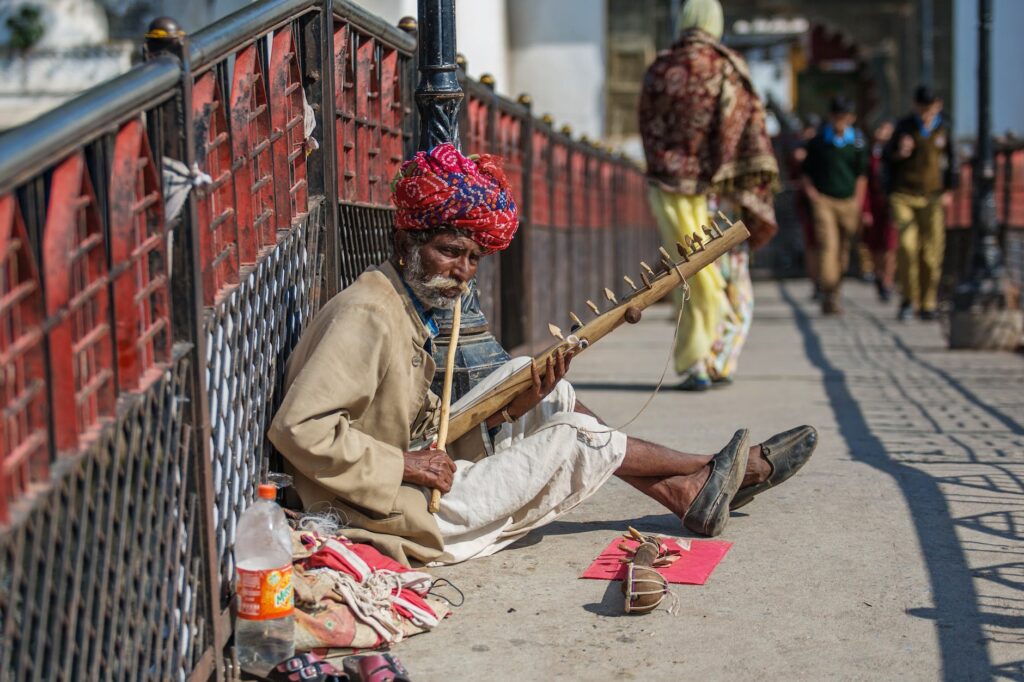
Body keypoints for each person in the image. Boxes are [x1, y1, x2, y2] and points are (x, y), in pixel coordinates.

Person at [268, 143, 817, 566]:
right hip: (389, 512)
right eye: (450, 252)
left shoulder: (409, 306)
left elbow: (418, 425)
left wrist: (513, 405)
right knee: (574, 436)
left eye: (473, 259)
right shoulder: (369, 313)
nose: (462, 272)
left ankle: (690, 490)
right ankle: (708, 473)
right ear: (407, 243)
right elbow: (299, 430)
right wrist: (407, 464)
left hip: (411, 475)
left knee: (541, 389)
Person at [638, 0, 779, 391]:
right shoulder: (727, 67)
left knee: (689, 275)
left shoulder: (659, 67)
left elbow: (647, 128)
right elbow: (748, 132)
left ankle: (695, 363)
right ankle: (720, 359)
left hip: (669, 192)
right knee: (732, 279)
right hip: (720, 196)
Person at [886, 85, 958, 321]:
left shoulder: (944, 127)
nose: (926, 113)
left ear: (938, 106)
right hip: (904, 193)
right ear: (915, 106)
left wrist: (949, 190)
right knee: (907, 247)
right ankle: (909, 298)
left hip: (933, 196)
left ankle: (927, 303)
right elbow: (886, 157)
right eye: (922, 107)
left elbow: (953, 160)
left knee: (931, 252)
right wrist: (899, 152)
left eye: (930, 108)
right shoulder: (904, 126)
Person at [801, 96, 868, 315]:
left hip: (848, 201)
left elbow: (861, 175)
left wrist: (858, 202)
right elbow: (806, 173)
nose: (841, 121)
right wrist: (814, 196)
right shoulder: (819, 141)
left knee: (843, 251)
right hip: (825, 201)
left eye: (845, 117)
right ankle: (828, 289)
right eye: (838, 117)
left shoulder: (857, 143)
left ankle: (834, 294)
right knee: (828, 245)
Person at [861, 121, 898, 302]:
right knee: (875, 246)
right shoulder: (870, 155)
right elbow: (864, 184)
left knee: (890, 245)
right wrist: (865, 209)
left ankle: (888, 282)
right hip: (874, 204)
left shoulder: (896, 153)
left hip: (892, 203)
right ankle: (878, 275)